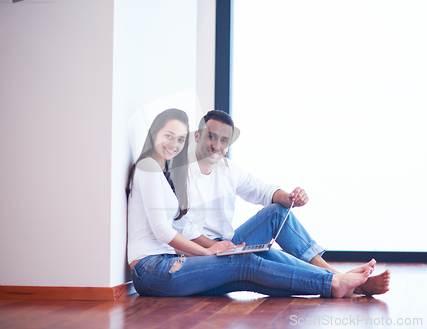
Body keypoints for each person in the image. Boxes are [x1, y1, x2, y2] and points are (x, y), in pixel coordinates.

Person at [127, 108, 376, 298]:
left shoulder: (225, 169)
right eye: (211, 137)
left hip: (210, 248)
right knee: (255, 262)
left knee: (275, 216)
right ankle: (334, 284)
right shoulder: (174, 171)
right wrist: (209, 250)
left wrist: (290, 197)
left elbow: (262, 190)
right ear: (198, 136)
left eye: (224, 140)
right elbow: (174, 230)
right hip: (186, 254)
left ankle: (336, 278)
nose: (216, 145)